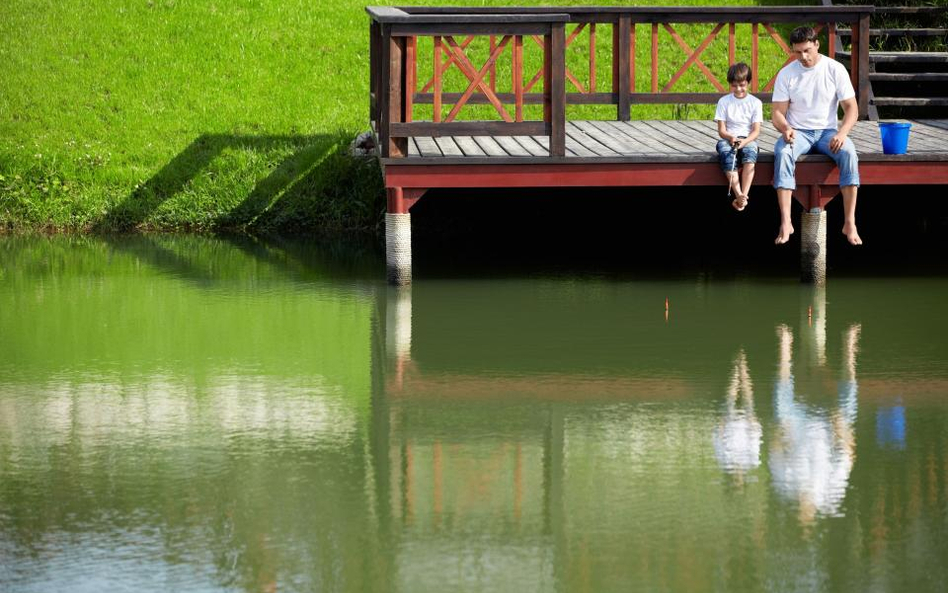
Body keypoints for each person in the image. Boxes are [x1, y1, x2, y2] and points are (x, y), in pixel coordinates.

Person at [772, 26, 862, 246]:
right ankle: (786, 221)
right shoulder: (787, 74)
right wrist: (786, 128)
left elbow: (852, 109)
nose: (803, 57)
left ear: (817, 45)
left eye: (806, 50)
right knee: (782, 152)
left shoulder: (835, 69)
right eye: (798, 52)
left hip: (828, 132)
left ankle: (849, 222)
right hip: (798, 132)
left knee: (849, 152)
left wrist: (842, 133)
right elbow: (777, 113)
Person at [714, 62, 762, 211]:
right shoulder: (724, 101)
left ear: (747, 82)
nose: (738, 89)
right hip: (730, 138)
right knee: (726, 153)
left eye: (742, 85)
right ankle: (738, 193)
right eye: (734, 86)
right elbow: (721, 130)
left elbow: (756, 131)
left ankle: (744, 195)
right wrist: (730, 138)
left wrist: (745, 141)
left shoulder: (755, 103)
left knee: (750, 154)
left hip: (747, 138)